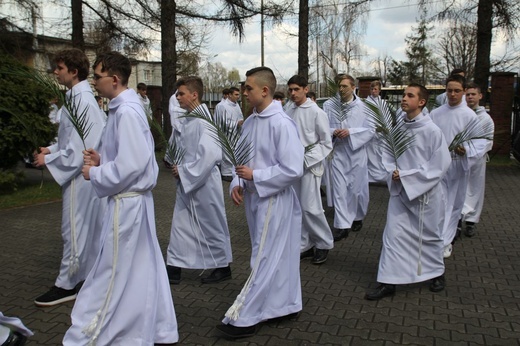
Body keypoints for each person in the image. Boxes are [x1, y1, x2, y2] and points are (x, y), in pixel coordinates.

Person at [64, 51, 178, 345]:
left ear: (114, 79)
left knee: (111, 268)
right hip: (130, 201)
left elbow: (132, 165)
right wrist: (103, 160)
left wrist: (95, 174)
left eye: (98, 77)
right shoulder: (122, 107)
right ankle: (150, 326)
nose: (94, 82)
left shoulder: (126, 111)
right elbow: (130, 157)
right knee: (141, 265)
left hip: (125, 203)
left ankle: (94, 330)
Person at [217, 66, 304, 338]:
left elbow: (293, 169)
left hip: (274, 199)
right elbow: (241, 159)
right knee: (274, 253)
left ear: (264, 90)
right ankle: (284, 304)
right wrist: (237, 182)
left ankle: (248, 314)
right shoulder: (252, 121)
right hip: (256, 198)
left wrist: (256, 176)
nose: (244, 92)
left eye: (248, 88)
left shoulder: (282, 123)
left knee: (264, 255)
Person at [365, 84, 451, 300]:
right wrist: (393, 172)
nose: (404, 98)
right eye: (404, 95)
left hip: (425, 195)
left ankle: (436, 273)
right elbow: (387, 155)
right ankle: (388, 281)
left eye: (409, 96)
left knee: (429, 237)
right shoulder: (398, 129)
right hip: (401, 193)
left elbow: (439, 166)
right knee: (393, 236)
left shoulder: (432, 131)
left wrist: (407, 175)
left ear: (421, 102)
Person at [33, 48, 105, 307]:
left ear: (74, 72)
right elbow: (70, 139)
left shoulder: (82, 101)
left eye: (60, 68)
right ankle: (84, 278)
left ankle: (67, 284)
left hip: (79, 177)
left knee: (74, 230)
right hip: (81, 174)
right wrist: (51, 149)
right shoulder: (77, 98)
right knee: (84, 230)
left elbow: (79, 149)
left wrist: (48, 160)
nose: (55, 72)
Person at [165, 76, 233, 285]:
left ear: (194, 95)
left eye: (181, 93)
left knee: (212, 224)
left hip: (204, 183)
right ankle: (174, 266)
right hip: (187, 183)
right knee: (181, 225)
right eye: (177, 94)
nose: (177, 98)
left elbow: (211, 154)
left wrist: (184, 171)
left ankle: (222, 266)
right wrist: (171, 160)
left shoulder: (206, 121)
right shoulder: (187, 119)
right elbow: (177, 144)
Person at [285, 75, 333, 264]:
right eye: (290, 90)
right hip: (292, 166)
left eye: (296, 89)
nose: (293, 93)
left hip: (309, 166)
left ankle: (323, 243)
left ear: (306, 89)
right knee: (297, 207)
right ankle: (305, 244)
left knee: (311, 207)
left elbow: (325, 142)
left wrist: (306, 160)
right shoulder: (289, 110)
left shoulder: (316, 111)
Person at [430, 75, 478, 258]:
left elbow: (478, 142)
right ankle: (435, 239)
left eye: (457, 90)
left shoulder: (470, 116)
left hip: (458, 166)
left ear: (464, 91)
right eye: (449, 90)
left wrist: (465, 150)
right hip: (439, 166)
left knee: (454, 205)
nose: (452, 94)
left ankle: (446, 241)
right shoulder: (436, 113)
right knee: (439, 204)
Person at [324, 74, 374, 241]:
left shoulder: (365, 107)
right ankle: (342, 225)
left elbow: (370, 129)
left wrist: (350, 132)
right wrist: (333, 132)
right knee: (339, 190)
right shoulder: (329, 105)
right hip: (338, 151)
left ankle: (358, 216)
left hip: (356, 153)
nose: (341, 89)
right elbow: (324, 128)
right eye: (339, 86)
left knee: (356, 189)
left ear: (353, 87)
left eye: (345, 86)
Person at [461, 82, 494, 237]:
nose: (470, 97)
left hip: (476, 160)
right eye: (467, 94)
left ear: (480, 96)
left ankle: (471, 221)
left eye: (473, 94)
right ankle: (456, 220)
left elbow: (487, 141)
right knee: (459, 188)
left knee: (474, 189)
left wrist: (470, 151)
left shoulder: (486, 119)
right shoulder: (461, 114)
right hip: (459, 158)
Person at [214, 86, 244, 181]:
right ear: (229, 95)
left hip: (236, 133)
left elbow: (240, 116)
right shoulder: (222, 106)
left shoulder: (237, 105)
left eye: (238, 94)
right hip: (227, 134)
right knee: (227, 154)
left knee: (235, 153)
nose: (238, 96)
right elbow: (221, 122)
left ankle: (233, 172)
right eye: (236, 94)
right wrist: (236, 124)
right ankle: (226, 173)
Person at [365, 80, 388, 183]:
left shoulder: (383, 103)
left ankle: (382, 174)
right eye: (372, 89)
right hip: (371, 134)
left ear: (379, 90)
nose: (374, 91)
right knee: (372, 155)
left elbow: (387, 117)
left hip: (382, 135)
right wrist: (374, 128)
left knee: (381, 154)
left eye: (376, 89)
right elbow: (366, 118)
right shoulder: (366, 103)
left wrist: (386, 127)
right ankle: (371, 176)